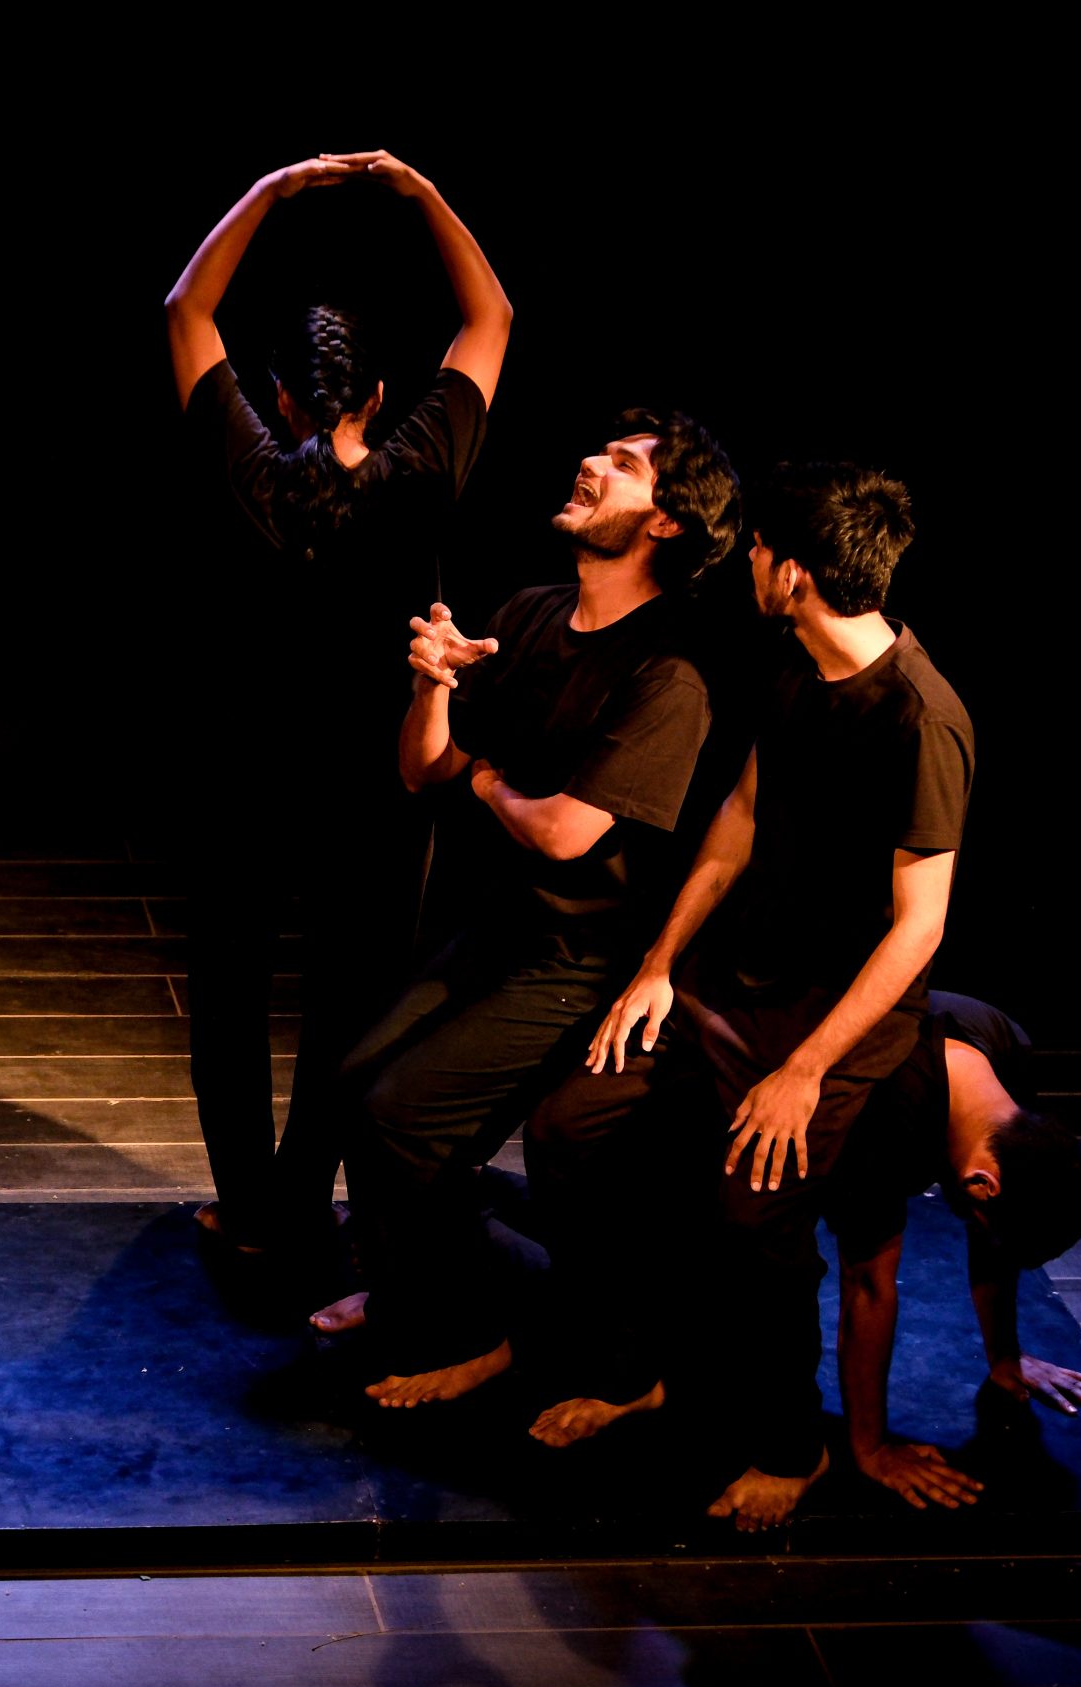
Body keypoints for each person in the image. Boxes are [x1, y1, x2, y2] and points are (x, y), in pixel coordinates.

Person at [545, 461, 974, 1534]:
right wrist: (658, 963)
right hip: (731, 985)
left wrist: (805, 1069)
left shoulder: (921, 718)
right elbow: (739, 814)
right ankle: (638, 1367)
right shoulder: (791, 664)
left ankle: (795, 1447)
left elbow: (919, 926)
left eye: (759, 550)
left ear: (793, 575)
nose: (748, 562)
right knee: (571, 1127)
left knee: (754, 1214)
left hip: (835, 1017)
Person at [309, 410, 741, 1410]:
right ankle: (412, 1291)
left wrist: (484, 780)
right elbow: (423, 767)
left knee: (403, 1118)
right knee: (352, 1086)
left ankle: (476, 1332)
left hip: (586, 956)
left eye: (623, 465)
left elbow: (565, 833)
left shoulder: (667, 675)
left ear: (666, 522)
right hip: (505, 928)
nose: (590, 462)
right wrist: (431, 684)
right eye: (602, 451)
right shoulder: (534, 612)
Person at [165, 149, 510, 1258]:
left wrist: (270, 192)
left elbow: (186, 308)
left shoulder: (253, 474)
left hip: (243, 779)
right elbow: (492, 316)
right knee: (348, 996)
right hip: (375, 790)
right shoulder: (421, 469)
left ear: (279, 396)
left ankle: (251, 1209)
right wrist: (420, 192)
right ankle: (305, 1198)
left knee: (229, 990)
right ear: (379, 395)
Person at [827, 991, 1081, 1510]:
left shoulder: (1007, 1053)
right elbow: (866, 1285)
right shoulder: (885, 1116)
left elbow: (1003, 1220)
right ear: (982, 1183)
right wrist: (871, 1449)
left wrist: (1004, 1357)